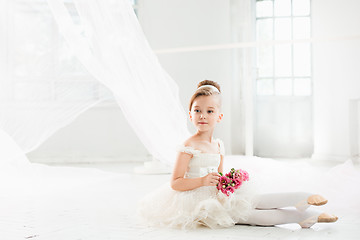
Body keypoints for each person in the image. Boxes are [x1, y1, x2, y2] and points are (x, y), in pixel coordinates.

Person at [137, 80, 338, 229]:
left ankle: (302, 197)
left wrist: (228, 182)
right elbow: (176, 182)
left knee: (257, 200)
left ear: (219, 116)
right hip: (199, 199)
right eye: (197, 111)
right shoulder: (188, 146)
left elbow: (220, 175)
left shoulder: (218, 145)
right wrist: (202, 180)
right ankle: (304, 216)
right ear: (190, 115)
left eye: (209, 111)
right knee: (252, 216)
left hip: (219, 193)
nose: (202, 116)